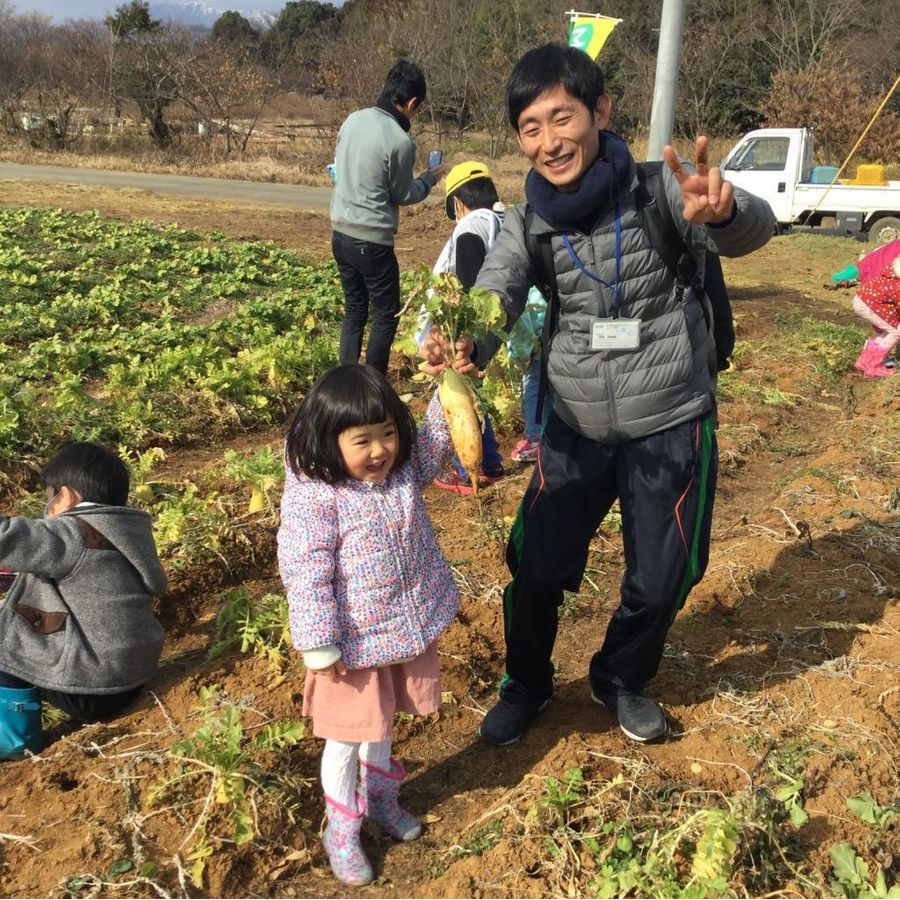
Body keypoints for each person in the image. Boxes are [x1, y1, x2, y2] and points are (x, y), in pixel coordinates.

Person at [422, 43, 774, 746]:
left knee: (665, 576)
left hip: (670, 418)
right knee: (537, 566)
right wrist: (469, 341)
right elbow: (497, 289)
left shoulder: (661, 189)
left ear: (601, 111)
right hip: (576, 422)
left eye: (563, 118)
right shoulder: (529, 224)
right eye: (530, 127)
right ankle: (525, 682)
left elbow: (752, 229)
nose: (549, 142)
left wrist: (729, 211)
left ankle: (619, 677)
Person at [277, 364, 459, 886]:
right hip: (352, 643)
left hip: (402, 629)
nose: (379, 450)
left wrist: (449, 385)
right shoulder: (318, 494)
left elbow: (436, 442)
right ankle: (341, 828)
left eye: (388, 434)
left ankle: (381, 799)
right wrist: (318, 642)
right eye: (363, 441)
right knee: (345, 738)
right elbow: (305, 565)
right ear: (330, 442)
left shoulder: (401, 471)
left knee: (383, 724)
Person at [0, 442, 167, 759]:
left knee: (3, 630)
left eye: (49, 497)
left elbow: (9, 537)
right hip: (132, 677)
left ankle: (12, 740)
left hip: (93, 686)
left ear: (67, 496)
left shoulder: (71, 531)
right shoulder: (123, 533)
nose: (46, 508)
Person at [331, 60, 445, 375]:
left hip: (340, 233)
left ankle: (347, 381)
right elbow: (403, 194)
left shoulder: (352, 120)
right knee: (385, 314)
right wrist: (429, 179)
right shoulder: (399, 140)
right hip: (372, 240)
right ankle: (374, 385)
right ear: (411, 103)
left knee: (355, 310)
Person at [423, 161, 507, 494]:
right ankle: (489, 462)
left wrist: (459, 329)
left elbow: (468, 284)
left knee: (461, 397)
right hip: (491, 331)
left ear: (457, 202)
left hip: (467, 332)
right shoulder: (501, 220)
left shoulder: (471, 225)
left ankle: (467, 467)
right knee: (476, 394)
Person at [851, 243, 899, 378]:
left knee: (888, 329)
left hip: (863, 301)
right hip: (868, 306)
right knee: (896, 331)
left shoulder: (889, 274)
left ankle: (865, 361)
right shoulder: (898, 285)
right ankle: (874, 365)